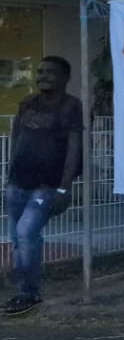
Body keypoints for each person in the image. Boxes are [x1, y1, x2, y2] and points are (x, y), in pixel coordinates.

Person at [5, 55, 83, 316]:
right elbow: (17, 136)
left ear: (65, 78)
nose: (43, 76)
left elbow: (74, 148)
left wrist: (64, 188)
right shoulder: (27, 102)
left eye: (50, 72)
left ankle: (29, 294)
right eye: (40, 71)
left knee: (26, 232)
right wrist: (10, 174)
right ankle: (23, 292)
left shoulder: (71, 106)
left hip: (48, 186)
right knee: (18, 239)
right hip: (17, 183)